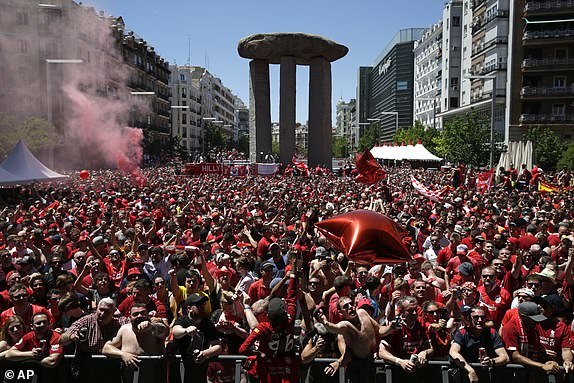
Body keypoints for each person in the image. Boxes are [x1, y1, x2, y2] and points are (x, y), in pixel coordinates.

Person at [239, 259, 300, 383]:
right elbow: (292, 296)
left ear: (267, 314)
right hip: (286, 372)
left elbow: (243, 349)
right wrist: (293, 273)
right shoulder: (289, 320)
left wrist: (259, 353)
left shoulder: (263, 328)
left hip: (269, 373)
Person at [502, 301, 572, 382]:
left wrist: (547, 360)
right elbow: (516, 357)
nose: (537, 322)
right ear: (523, 317)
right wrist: (542, 366)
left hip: (531, 373)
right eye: (534, 319)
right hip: (513, 375)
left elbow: (535, 351)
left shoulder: (532, 327)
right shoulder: (510, 328)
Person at [102, 304, 168, 383]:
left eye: (143, 313)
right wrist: (123, 354)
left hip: (152, 373)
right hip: (129, 374)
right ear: (130, 318)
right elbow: (106, 348)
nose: (139, 316)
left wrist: (152, 327)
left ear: (148, 315)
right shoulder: (124, 329)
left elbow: (164, 331)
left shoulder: (155, 328)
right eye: (135, 314)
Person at [378, 296, 433, 383]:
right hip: (397, 372)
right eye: (410, 311)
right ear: (401, 311)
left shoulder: (420, 322)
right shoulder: (395, 326)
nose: (414, 313)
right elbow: (381, 352)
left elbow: (430, 348)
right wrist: (400, 362)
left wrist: (424, 353)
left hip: (417, 372)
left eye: (416, 310)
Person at [171, 293, 223, 383]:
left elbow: (218, 347)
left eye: (203, 304)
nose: (202, 307)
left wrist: (204, 353)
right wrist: (185, 330)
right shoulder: (182, 320)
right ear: (189, 309)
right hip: (181, 369)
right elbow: (175, 332)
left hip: (200, 369)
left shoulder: (208, 323)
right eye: (198, 305)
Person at [449, 306, 509, 383]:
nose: (480, 320)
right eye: (476, 317)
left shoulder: (492, 332)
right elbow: (453, 352)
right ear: (469, 319)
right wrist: (470, 370)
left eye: (482, 317)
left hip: (485, 374)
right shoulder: (462, 332)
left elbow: (505, 357)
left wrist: (491, 362)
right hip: (465, 373)